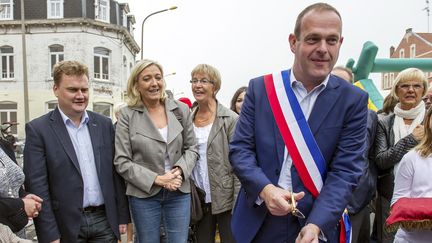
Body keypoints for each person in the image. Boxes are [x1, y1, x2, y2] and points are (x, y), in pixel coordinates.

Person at [229, 3, 369, 242]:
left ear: (340, 43)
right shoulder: (261, 89)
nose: (323, 49)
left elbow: (346, 171)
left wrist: (316, 225)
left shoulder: (353, 100)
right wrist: (266, 189)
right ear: (294, 42)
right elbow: (240, 151)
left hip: (315, 222)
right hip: (259, 219)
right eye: (313, 39)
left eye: (331, 40)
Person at [23, 60, 130, 243]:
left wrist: (122, 216)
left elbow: (115, 174)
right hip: (65, 225)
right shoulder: (38, 130)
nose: (80, 95)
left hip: (104, 221)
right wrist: (49, 233)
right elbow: (37, 185)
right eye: (73, 90)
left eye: (84, 90)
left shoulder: (104, 124)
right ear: (56, 89)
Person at [114, 59, 198, 243]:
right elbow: (122, 161)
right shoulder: (128, 115)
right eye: (147, 78)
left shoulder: (181, 110)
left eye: (158, 78)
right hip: (144, 195)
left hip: (178, 191)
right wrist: (157, 179)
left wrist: (179, 171)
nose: (154, 83)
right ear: (136, 84)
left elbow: (192, 148)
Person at [373, 67, 428, 243]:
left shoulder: (429, 120)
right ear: (396, 90)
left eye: (416, 86)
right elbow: (381, 160)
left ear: (424, 90)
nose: (411, 90)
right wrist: (411, 139)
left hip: (426, 201)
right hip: (390, 198)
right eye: (404, 85)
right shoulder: (384, 122)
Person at [189, 64, 240, 243]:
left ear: (215, 87)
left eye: (203, 81)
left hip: (226, 199)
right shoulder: (187, 118)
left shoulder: (230, 119)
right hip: (199, 199)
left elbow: (239, 164)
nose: (197, 85)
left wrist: (237, 203)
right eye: (194, 81)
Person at [332, 67, 378, 243]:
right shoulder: (313, 114)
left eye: (344, 83)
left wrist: (368, 189)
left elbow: (371, 156)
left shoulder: (370, 117)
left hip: (358, 199)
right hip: (324, 198)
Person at [390, 106, 432, 242]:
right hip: (413, 238)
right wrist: (424, 214)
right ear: (428, 122)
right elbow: (397, 202)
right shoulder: (412, 158)